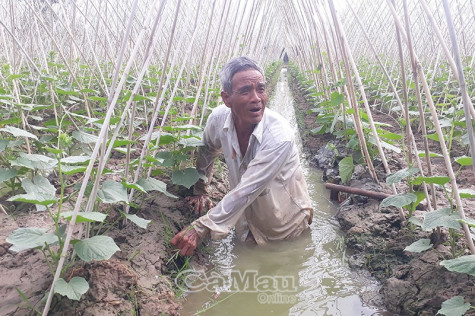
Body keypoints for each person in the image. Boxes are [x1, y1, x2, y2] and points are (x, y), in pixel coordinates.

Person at [171, 56, 313, 256]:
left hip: (284, 227)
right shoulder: (218, 119)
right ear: (227, 98)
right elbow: (208, 149)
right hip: (243, 222)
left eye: (261, 89)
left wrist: (201, 227)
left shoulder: (279, 138)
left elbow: (249, 187)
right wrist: (200, 189)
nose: (256, 98)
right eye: (245, 91)